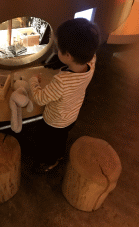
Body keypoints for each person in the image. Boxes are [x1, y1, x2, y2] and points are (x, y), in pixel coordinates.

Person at [28, 18, 101, 172]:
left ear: (68, 55)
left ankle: (50, 162)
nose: (55, 50)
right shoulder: (92, 61)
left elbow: (40, 98)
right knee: (60, 140)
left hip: (54, 121)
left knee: (49, 143)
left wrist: (33, 81)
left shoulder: (61, 82)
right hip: (72, 116)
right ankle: (59, 155)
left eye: (57, 48)